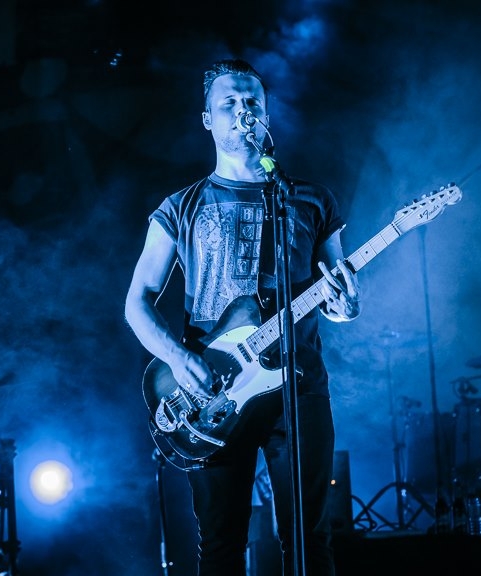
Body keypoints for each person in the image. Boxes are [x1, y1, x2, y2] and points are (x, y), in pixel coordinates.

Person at [124, 59, 360, 576]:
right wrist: (178, 358)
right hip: (214, 391)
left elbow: (335, 294)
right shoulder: (180, 207)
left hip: (298, 387)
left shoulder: (311, 200)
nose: (242, 111)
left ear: (266, 115)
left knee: (310, 538)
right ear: (207, 119)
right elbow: (137, 301)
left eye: (252, 102)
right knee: (221, 544)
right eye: (228, 103)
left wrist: (345, 307)